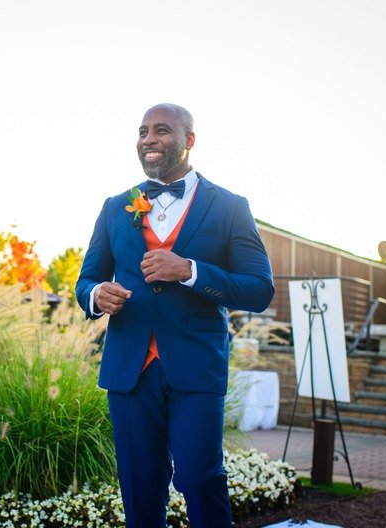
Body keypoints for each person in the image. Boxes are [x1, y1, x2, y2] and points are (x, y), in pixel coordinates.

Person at [75, 103, 274, 527]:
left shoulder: (229, 207)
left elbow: (259, 289)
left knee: (201, 478)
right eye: (143, 130)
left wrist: (190, 271)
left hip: (196, 369)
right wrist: (97, 295)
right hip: (131, 370)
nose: (149, 138)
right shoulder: (115, 207)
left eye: (161, 130)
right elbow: (86, 280)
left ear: (189, 140)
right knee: (138, 484)